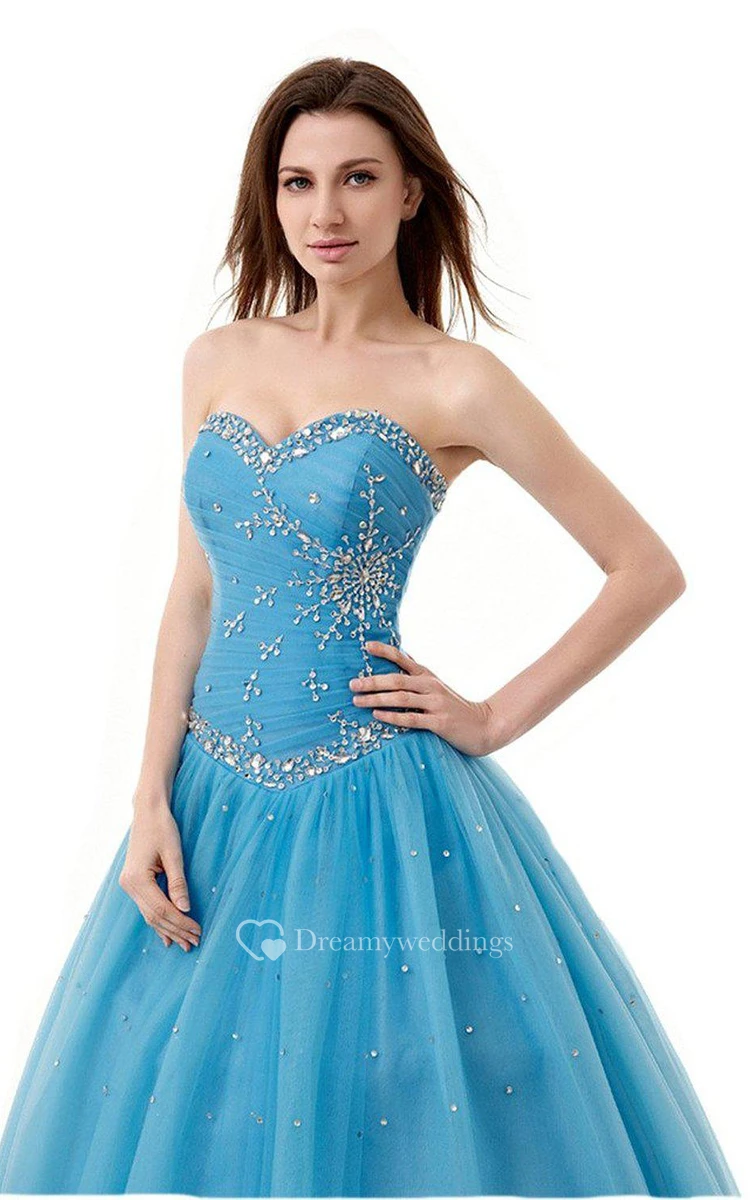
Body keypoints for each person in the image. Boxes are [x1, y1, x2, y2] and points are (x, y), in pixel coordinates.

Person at [0, 56, 738, 1197]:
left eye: (357, 177)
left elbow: (645, 569)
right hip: (207, 797)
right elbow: (194, 591)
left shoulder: (457, 382)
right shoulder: (219, 359)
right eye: (298, 182)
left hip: (372, 801)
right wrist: (148, 796)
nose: (325, 214)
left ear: (410, 191)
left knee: (382, 1104)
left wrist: (490, 717)